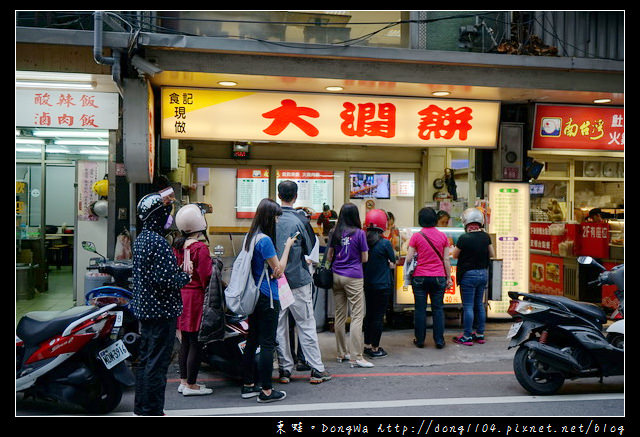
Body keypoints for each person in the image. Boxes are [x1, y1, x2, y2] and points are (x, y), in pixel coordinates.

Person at [130, 189, 191, 416]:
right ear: (157, 215)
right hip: (162, 311)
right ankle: (153, 410)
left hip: (146, 310)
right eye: (166, 213)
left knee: (146, 361)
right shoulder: (158, 243)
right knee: (157, 364)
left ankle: (142, 408)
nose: (169, 218)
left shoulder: (142, 240)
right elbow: (166, 279)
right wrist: (186, 275)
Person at [275, 181, 332, 385]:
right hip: (298, 279)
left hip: (277, 281)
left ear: (279, 195)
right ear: (296, 196)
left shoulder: (271, 218)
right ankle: (317, 369)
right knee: (305, 324)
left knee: (280, 326)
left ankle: (284, 369)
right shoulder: (300, 221)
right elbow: (310, 248)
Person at [240, 198, 296, 403]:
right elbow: (278, 271)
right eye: (276, 217)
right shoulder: (265, 240)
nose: (278, 221)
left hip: (254, 296)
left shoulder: (251, 237)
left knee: (252, 340)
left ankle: (247, 385)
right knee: (267, 344)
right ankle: (266, 391)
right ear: (269, 218)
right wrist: (288, 246)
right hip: (268, 297)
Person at [172, 204, 213, 396]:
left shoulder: (177, 246)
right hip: (195, 298)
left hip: (180, 296)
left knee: (185, 342)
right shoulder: (200, 248)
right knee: (196, 342)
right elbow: (206, 276)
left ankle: (183, 381)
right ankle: (191, 384)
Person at [326, 203, 373, 368]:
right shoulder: (360, 234)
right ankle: (356, 357)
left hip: (336, 276)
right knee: (357, 316)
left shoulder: (334, 232)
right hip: (353, 277)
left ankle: (341, 353)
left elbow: (330, 255)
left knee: (339, 316)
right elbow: (365, 258)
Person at [404, 207, 452, 349]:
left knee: (420, 309)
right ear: (435, 219)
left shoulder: (417, 236)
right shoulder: (443, 236)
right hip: (438, 277)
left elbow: (408, 258)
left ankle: (420, 340)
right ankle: (439, 340)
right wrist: (448, 278)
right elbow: (446, 260)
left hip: (420, 277)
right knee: (438, 309)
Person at [451, 208, 495, 346]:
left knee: (468, 306)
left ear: (466, 223)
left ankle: (467, 336)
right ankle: (480, 334)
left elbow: (455, 255)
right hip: (483, 273)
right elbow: (492, 254)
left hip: (468, 275)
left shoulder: (464, 238)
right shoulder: (485, 236)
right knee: (479, 305)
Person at [363, 209, 396, 359]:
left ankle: (367, 344)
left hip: (367, 284)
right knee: (378, 316)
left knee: (369, 314)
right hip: (383, 285)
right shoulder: (385, 243)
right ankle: (375, 348)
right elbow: (393, 262)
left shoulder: (363, 241)